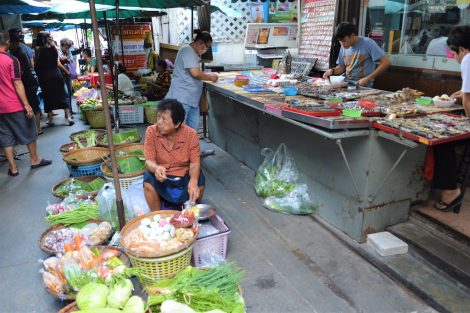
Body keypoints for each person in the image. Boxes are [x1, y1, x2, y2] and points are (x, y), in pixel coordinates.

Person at [0, 32, 52, 176]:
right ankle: (35, 159)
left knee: (5, 136)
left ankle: (13, 168)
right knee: (29, 131)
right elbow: (17, 82)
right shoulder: (11, 60)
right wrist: (27, 105)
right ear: (7, 42)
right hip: (13, 104)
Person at [431, 25, 470, 212]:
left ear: (462, 49)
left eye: (454, 54)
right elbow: (467, 94)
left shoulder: (468, 59)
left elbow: (469, 99)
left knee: (442, 140)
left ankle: (450, 191)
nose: (454, 58)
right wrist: (462, 94)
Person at [143, 99, 205, 211]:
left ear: (177, 124)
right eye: (158, 117)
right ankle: (156, 217)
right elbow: (149, 161)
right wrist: (156, 168)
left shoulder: (191, 134)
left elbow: (195, 163)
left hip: (183, 175)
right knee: (148, 179)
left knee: (199, 180)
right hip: (163, 176)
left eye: (164, 119)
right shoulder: (151, 131)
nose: (159, 122)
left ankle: (190, 213)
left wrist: (193, 181)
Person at [165, 29, 218, 131]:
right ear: (200, 43)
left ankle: (189, 147)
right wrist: (211, 77)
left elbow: (196, 72)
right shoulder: (187, 50)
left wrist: (207, 75)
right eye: (207, 47)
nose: (206, 50)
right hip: (182, 99)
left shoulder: (192, 53)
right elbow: (195, 73)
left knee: (191, 134)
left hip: (191, 100)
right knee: (179, 132)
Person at [323, 22, 390, 87]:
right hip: (347, 85)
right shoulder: (343, 46)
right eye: (339, 41)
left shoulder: (368, 43)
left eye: (344, 41)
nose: (342, 44)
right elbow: (341, 67)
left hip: (364, 87)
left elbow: (386, 62)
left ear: (352, 35)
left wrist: (368, 78)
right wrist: (332, 71)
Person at [34, 31, 74, 126]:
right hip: (56, 74)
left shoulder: (38, 49)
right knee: (62, 95)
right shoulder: (54, 48)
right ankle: (69, 117)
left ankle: (50, 119)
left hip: (45, 76)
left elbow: (37, 64)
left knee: (48, 97)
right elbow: (56, 60)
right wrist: (51, 42)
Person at [8, 28, 42, 134]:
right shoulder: (20, 50)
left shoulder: (19, 53)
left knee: (33, 105)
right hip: (31, 80)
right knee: (34, 104)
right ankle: (36, 128)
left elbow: (21, 72)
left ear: (13, 42)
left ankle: (37, 128)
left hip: (28, 82)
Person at [58, 38, 75, 114]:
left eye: (68, 48)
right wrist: (67, 71)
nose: (67, 49)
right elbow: (58, 63)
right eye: (65, 47)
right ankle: (67, 112)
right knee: (65, 93)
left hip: (68, 74)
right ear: (61, 46)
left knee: (69, 92)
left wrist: (67, 59)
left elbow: (71, 60)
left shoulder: (68, 51)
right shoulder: (58, 51)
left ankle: (70, 110)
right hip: (61, 74)